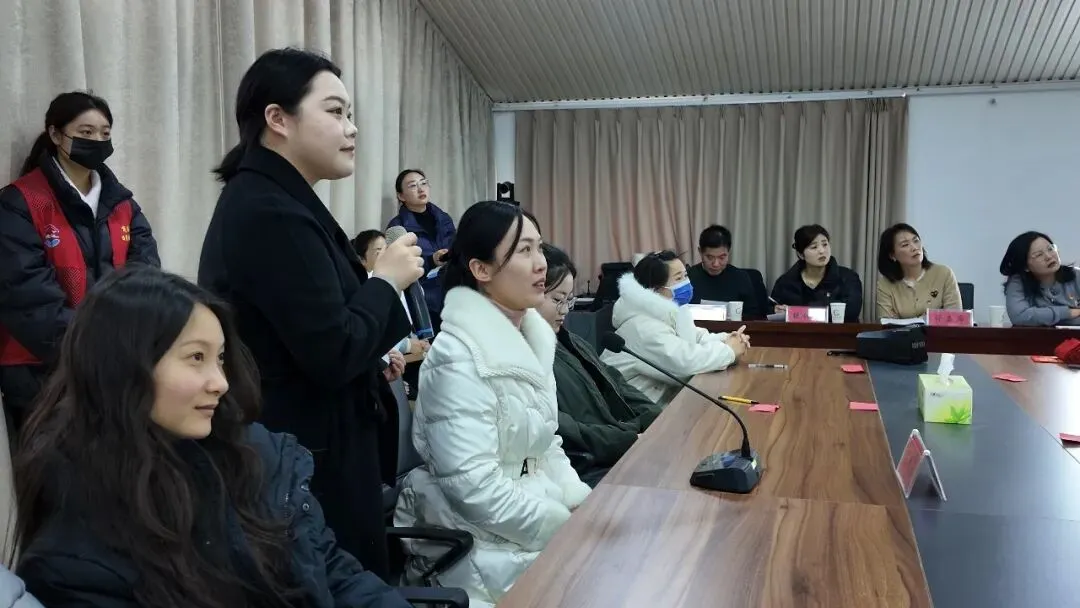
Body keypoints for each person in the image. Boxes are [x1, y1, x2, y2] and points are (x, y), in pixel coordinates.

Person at [11, 266, 410, 607]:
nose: (220, 382)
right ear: (122, 368)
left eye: (219, 358)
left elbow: (334, 573)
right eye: (196, 357)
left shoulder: (258, 456)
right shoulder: (78, 554)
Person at [198, 48, 423, 580]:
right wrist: (385, 282)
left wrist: (374, 355)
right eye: (335, 111)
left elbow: (313, 331)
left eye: (350, 114)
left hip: (319, 446)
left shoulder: (279, 198)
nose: (352, 128)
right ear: (278, 119)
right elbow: (332, 349)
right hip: (307, 461)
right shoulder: (268, 211)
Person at [394, 201, 590, 608]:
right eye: (523, 251)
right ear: (481, 269)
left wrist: (576, 499)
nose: (541, 263)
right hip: (477, 540)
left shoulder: (532, 339)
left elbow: (545, 444)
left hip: (528, 513)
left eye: (539, 247)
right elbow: (474, 488)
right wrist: (560, 525)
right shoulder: (457, 357)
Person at [0, 91, 159, 432]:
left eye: (105, 133)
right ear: (56, 135)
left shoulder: (123, 205)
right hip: (40, 373)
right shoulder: (21, 202)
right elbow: (26, 297)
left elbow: (146, 279)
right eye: (86, 132)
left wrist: (127, 345)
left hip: (115, 368)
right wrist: (93, 350)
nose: (97, 141)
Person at [537, 244, 661, 486]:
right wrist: (630, 438)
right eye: (558, 300)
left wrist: (655, 418)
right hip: (587, 469)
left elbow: (616, 383)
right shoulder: (529, 356)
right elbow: (564, 428)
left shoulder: (570, 340)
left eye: (569, 300)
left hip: (617, 446)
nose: (565, 310)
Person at [601, 251, 749, 406]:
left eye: (686, 275)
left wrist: (729, 339)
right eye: (679, 279)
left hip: (662, 403)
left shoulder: (673, 311)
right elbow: (686, 364)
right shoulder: (642, 327)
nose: (686, 283)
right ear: (655, 290)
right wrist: (729, 351)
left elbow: (696, 338)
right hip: (637, 412)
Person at [386, 169, 457, 331]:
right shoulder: (398, 227)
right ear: (401, 196)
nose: (420, 189)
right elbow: (399, 268)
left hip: (452, 295)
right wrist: (431, 260)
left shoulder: (443, 219)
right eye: (413, 186)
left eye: (423, 183)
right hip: (424, 301)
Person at [771, 224, 862, 322]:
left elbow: (850, 312)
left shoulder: (848, 277)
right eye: (814, 247)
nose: (822, 251)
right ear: (801, 255)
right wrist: (776, 310)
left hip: (837, 332)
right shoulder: (786, 282)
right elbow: (771, 311)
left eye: (825, 244)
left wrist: (796, 313)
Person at [876, 223, 962, 320]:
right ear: (892, 255)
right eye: (905, 245)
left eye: (916, 241)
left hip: (939, 331)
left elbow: (955, 318)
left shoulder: (944, 274)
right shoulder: (885, 284)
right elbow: (887, 322)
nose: (914, 247)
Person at [1000, 231, 1080, 326]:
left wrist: (1041, 317)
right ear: (1025, 266)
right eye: (1038, 255)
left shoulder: (1076, 275)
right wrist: (1068, 313)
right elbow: (1019, 316)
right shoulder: (1018, 282)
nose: (1049, 256)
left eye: (1050, 249)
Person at [687, 225, 762, 319]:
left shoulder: (741, 278)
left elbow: (753, 316)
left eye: (722, 257)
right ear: (700, 252)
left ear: (728, 252)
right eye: (710, 257)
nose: (716, 264)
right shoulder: (688, 278)